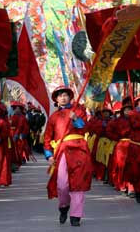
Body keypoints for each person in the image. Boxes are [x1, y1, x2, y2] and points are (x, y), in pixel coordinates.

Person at [44, 85, 93, 227]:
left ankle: (76, 215)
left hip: (80, 150)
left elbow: (85, 128)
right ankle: (63, 206)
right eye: (60, 95)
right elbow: (47, 138)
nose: (63, 97)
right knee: (62, 184)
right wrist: (49, 155)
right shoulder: (53, 117)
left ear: (70, 97)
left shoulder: (79, 110)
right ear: (56, 100)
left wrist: (76, 118)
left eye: (65, 95)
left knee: (79, 184)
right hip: (62, 151)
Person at [106, 98, 135, 197]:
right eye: (126, 109)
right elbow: (109, 130)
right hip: (121, 146)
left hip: (134, 145)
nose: (128, 111)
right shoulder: (117, 121)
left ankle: (131, 188)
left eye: (130, 109)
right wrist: (117, 138)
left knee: (132, 167)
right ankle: (122, 185)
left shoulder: (136, 120)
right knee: (121, 167)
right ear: (123, 111)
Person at [0, 103, 12, 188]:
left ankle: (2, 180)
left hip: (1, 144)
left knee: (2, 161)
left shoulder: (2, 121)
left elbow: (5, 132)